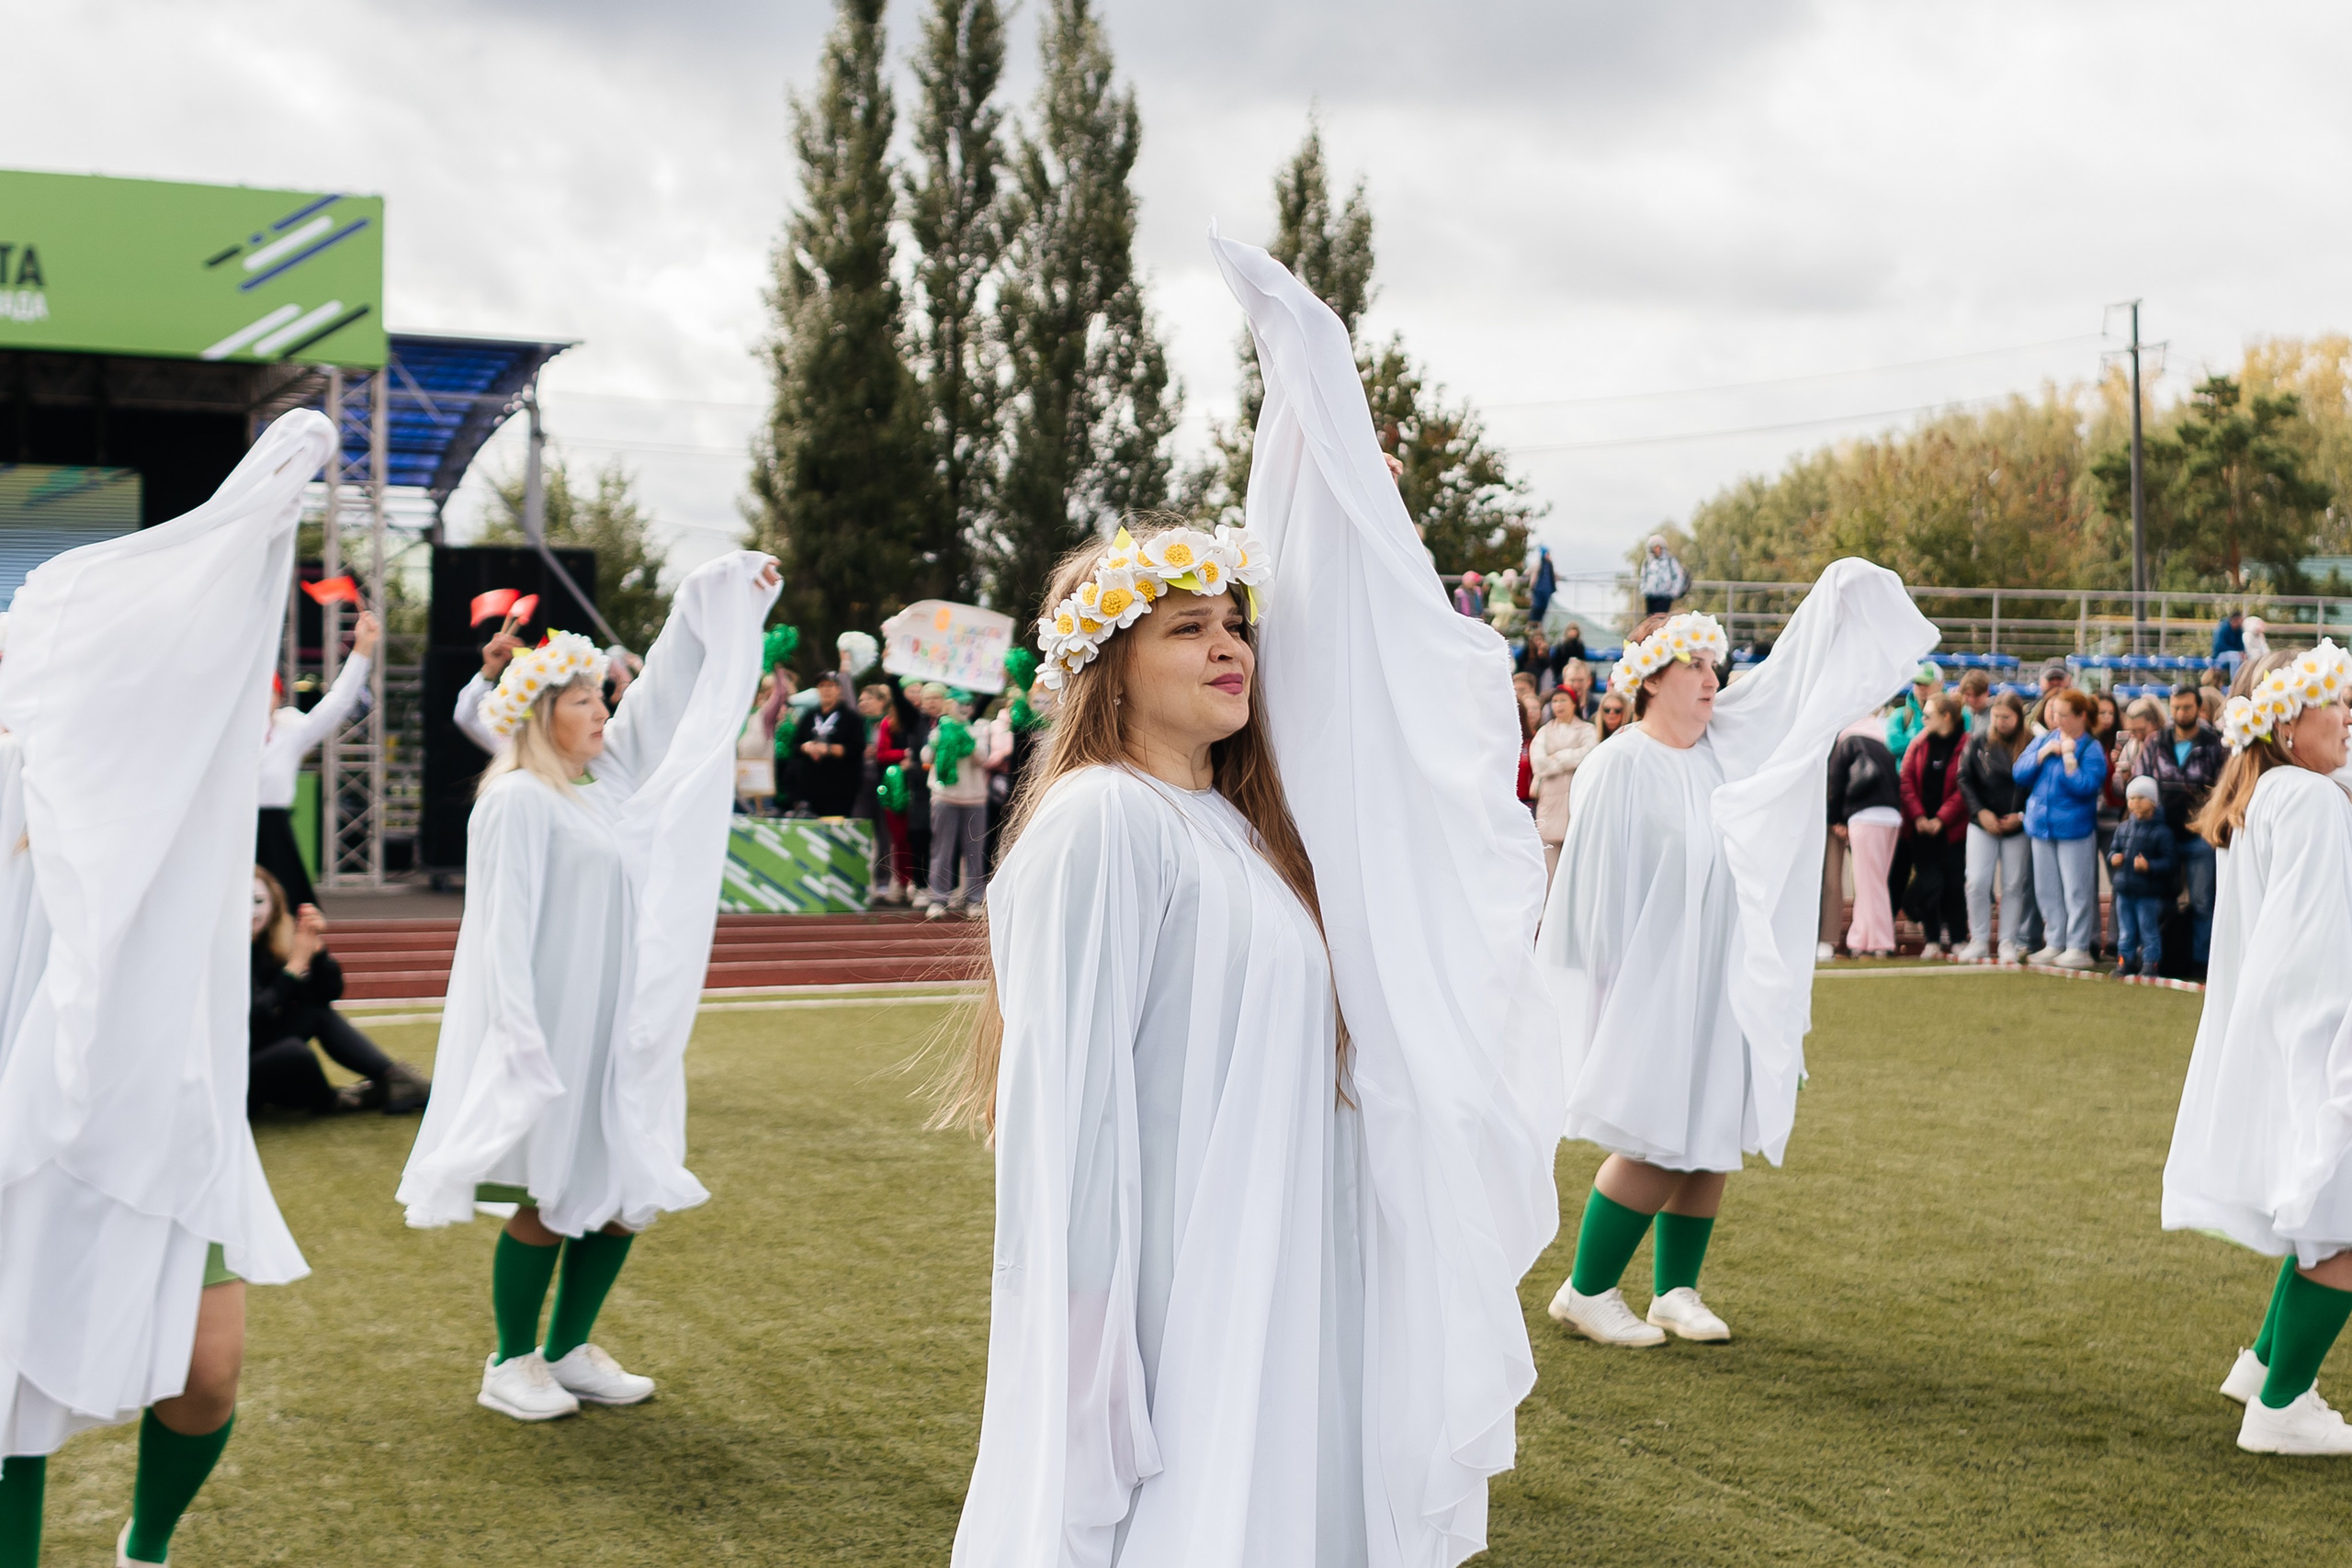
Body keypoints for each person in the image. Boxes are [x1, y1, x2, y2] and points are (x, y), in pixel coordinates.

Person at [944, 235, 1561, 1563]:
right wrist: (1091, 1339)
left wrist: (1341, 495)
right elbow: (1073, 1102)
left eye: (1237, 621)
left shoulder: (1241, 826)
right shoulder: (1105, 822)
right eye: (1188, 627)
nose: (1230, 645)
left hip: (1283, 1266)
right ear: (1108, 668)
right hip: (1177, 1288)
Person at [0, 412, 328, 1567]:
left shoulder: (179, 789)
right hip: (19, 1123)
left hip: (157, 1116)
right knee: (8, 1421)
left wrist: (267, 500)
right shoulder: (15, 772)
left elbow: (220, 618)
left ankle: (146, 1547)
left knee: (207, 1371)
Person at [395, 553, 781, 1424]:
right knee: (552, 1192)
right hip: (553, 1027)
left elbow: (666, 686)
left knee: (625, 1191)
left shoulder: (607, 783)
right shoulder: (518, 800)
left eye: (601, 698)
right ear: (542, 714)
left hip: (621, 1023)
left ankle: (568, 1347)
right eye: (584, 701)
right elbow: (501, 935)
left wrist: (712, 595)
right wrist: (521, 1043)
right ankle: (510, 1358)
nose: (604, 709)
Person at [1544, 565, 1934, 1350]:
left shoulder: (1720, 752)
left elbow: (1789, 693)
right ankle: (1585, 1289)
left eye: (1713, 665)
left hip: (1718, 971)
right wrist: (1606, 984)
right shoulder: (1621, 764)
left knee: (1714, 1124)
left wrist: (1834, 604)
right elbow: (1589, 887)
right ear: (1652, 679)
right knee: (1655, 1131)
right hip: (1650, 983)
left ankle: (1676, 1289)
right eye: (1697, 666)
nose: (1713, 681)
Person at [2163, 641, 2352, 1455]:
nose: (2347, 715)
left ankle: (2267, 1363)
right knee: (2340, 1223)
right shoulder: (2307, 802)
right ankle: (2279, 1407)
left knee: (2324, 1216)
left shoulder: (2273, 793)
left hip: (2284, 1029)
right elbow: (2314, 944)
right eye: (2333, 702)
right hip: (2318, 1030)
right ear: (2286, 719)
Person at [248, 867, 429, 1115]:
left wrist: (317, 951)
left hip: (254, 1054)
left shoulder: (265, 946)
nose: (252, 912)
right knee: (294, 1053)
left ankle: (395, 1078)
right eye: (243, 902)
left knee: (313, 1014)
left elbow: (324, 996)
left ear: (274, 905)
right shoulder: (222, 953)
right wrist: (294, 969)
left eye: (259, 901)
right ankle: (333, 1101)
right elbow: (252, 1018)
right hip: (230, 1075)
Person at [257, 608, 379, 908]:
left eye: (269, 692)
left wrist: (362, 649)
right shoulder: (226, 735)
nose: (262, 699)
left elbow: (337, 703)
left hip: (275, 832)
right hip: (232, 830)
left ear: (279, 696)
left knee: (287, 913)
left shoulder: (291, 730)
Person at [2132, 683, 2226, 979]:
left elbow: (2225, 788)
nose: (2180, 713)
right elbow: (2141, 780)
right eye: (2175, 707)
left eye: (2186, 707)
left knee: (2202, 903)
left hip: (2200, 835)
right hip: (2161, 835)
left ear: (2199, 709)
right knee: (2160, 899)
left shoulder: (2216, 744)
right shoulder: (2156, 742)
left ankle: (2201, 963)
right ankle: (2158, 959)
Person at [2012, 687, 2107, 967]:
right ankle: (2055, 941)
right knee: (2046, 888)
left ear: (2081, 716)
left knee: (2076, 889)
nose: (2058, 720)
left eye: (2064, 715)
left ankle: (2078, 946)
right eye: (2055, 714)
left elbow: (2086, 787)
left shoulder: (2091, 748)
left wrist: (2069, 762)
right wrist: (2042, 754)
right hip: (2040, 826)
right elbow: (2020, 773)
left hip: (2074, 829)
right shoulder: (2046, 739)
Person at [1957, 693, 2034, 962]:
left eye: (2006, 717)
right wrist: (1980, 812)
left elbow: (2036, 785)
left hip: (2017, 824)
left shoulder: (2031, 742)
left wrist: (2022, 815)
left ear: (2018, 717)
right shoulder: (1978, 741)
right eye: (1997, 717)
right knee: (1977, 881)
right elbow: (1964, 778)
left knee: (2013, 884)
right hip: (1982, 823)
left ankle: (2007, 941)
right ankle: (1978, 938)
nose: (2000, 722)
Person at [1825, 716, 1904, 960]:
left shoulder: (1847, 742)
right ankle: (1869, 938)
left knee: (1867, 883)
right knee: (1876, 881)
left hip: (1865, 816)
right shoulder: (1882, 743)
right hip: (1891, 816)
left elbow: (1836, 784)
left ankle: (1873, 940)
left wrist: (1836, 819)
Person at [1899, 693, 1969, 956]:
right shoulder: (1918, 744)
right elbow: (1905, 780)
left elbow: (1965, 786)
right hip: (1921, 830)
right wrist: (1918, 816)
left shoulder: (1966, 744)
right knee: (1928, 884)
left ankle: (1959, 937)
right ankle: (1932, 939)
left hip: (1952, 831)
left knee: (1953, 883)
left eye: (1928, 715)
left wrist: (1942, 818)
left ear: (1946, 717)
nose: (1923, 719)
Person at [922, 688, 989, 919]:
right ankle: (938, 898)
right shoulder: (939, 730)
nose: (965, 708)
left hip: (974, 798)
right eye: (960, 703)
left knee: (974, 851)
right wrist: (940, 739)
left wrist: (964, 737)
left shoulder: (977, 729)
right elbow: (925, 758)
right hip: (944, 797)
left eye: (969, 703)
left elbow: (982, 757)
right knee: (942, 849)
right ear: (949, 705)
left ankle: (974, 898)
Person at [1529, 683, 1599, 884]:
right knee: (1549, 868)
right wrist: (1568, 759)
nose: (1558, 705)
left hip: (1575, 799)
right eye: (1555, 701)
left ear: (1573, 704)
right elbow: (1539, 763)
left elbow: (1588, 754)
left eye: (1563, 700)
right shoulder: (1544, 731)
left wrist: (1557, 757)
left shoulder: (1587, 729)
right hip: (1549, 803)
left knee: (1577, 865)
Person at [2108, 775, 2174, 978]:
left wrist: (2150, 866)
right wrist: (2115, 859)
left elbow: (2170, 862)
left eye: (2141, 798)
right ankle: (2124, 961)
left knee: (2148, 930)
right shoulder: (2123, 828)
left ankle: (2150, 963)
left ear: (2153, 801)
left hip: (2148, 893)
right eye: (2132, 798)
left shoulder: (2162, 832)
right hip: (2125, 890)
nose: (2135, 803)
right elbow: (2113, 851)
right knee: (2126, 930)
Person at [784, 670, 865, 817]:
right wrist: (805, 747)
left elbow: (857, 747)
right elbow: (795, 745)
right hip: (810, 787)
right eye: (822, 686)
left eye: (831, 686)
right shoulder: (809, 716)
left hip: (840, 789)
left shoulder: (851, 718)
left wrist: (829, 749)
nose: (826, 690)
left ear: (839, 690)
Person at [863, 682, 913, 903]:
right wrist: (905, 754)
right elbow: (883, 753)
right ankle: (898, 882)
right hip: (894, 788)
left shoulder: (918, 722)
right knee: (896, 837)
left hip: (917, 786)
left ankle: (914, 882)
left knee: (914, 837)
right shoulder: (887, 723)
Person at [735, 672, 779, 815]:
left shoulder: (764, 716)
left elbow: (780, 695)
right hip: (738, 789)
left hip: (760, 789)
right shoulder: (736, 719)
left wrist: (777, 667)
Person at [1884, 661, 1940, 760]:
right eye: (1918, 683)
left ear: (1940, 684)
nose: (1922, 688)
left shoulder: (1957, 712)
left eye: (1926, 683)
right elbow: (1893, 746)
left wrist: (1911, 739)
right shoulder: (1899, 714)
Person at [1637, 533, 1690, 614]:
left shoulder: (1670, 560)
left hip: (1665, 596)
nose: (1657, 549)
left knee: (1660, 617)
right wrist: (1644, 590)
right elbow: (1643, 577)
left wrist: (1673, 592)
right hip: (1650, 595)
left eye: (1658, 547)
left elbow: (1678, 576)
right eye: (1654, 547)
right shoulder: (1648, 562)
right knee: (1651, 619)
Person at [2025, 658, 2072, 729]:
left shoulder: (2080, 707)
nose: (2055, 683)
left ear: (2069, 680)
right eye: (2050, 679)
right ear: (2041, 681)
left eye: (2060, 678)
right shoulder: (2028, 710)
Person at [2211, 609, 2245, 681]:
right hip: (2220, 655)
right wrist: (2236, 652)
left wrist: (2243, 653)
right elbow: (2219, 646)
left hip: (2234, 654)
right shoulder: (2223, 628)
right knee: (2235, 658)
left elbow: (2240, 645)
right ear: (2234, 620)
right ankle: (2234, 682)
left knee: (2244, 658)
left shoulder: (2239, 630)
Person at [1956, 667, 1993, 733]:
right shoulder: (1959, 714)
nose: (1972, 700)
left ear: (1987, 692)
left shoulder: (1995, 714)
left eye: (1977, 695)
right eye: (1968, 695)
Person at [1530, 544, 1556, 626]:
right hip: (1539, 589)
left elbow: (1553, 575)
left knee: (1543, 608)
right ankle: (1533, 623)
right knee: (1537, 606)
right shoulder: (1540, 564)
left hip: (1547, 589)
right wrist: (1532, 585)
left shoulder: (1549, 565)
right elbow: (1534, 573)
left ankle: (1539, 623)